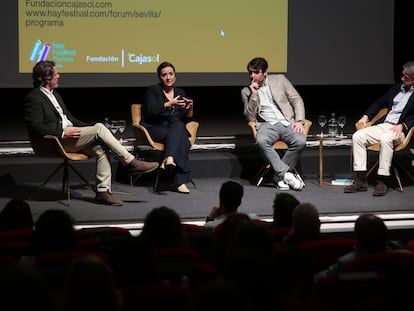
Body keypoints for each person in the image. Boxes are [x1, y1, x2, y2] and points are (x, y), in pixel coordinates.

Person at [23, 60, 159, 206]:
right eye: (56, 74)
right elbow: (35, 126)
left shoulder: (54, 95)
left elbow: (70, 119)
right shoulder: (34, 97)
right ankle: (132, 163)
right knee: (100, 128)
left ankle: (103, 191)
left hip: (71, 135)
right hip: (57, 140)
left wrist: (90, 127)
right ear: (47, 79)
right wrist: (62, 133)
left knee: (100, 147)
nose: (59, 76)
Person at [344, 61, 414, 196]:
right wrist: (366, 116)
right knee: (358, 136)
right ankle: (361, 180)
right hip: (384, 125)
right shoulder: (396, 88)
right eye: (402, 75)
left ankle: (382, 180)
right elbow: (380, 102)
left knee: (385, 138)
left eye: (406, 77)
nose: (402, 78)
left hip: (400, 130)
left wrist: (404, 125)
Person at [241, 57, 307, 191]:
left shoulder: (280, 80)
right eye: (250, 72)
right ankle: (286, 174)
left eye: (256, 72)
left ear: (265, 72)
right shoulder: (246, 91)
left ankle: (280, 176)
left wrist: (299, 121)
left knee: (300, 141)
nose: (252, 76)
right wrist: (254, 95)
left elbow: (297, 100)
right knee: (261, 141)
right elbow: (250, 117)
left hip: (287, 122)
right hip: (267, 124)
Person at [142, 61, 194, 194]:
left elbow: (188, 116)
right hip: (156, 128)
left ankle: (169, 158)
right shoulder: (152, 90)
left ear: (175, 76)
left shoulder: (180, 92)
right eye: (164, 75)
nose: (168, 77)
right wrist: (168, 104)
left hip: (174, 128)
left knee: (178, 127)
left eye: (171, 74)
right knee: (180, 134)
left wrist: (189, 107)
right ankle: (180, 181)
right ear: (160, 77)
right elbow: (150, 110)